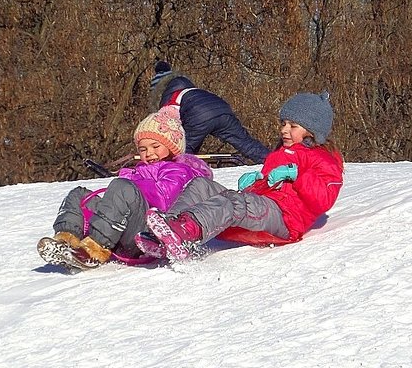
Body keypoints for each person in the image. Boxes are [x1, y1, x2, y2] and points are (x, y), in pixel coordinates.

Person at [135, 90, 344, 262]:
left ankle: (184, 233)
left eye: (293, 126)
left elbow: (324, 198)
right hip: (263, 208)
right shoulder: (280, 153)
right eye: (283, 124)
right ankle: (167, 229)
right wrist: (257, 180)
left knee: (234, 202)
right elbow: (269, 184)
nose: (284, 130)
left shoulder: (323, 158)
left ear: (313, 131)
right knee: (201, 185)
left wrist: (297, 176)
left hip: (285, 218)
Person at [37, 106, 212, 271]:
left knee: (122, 187)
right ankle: (67, 240)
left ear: (172, 147)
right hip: (125, 226)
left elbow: (164, 197)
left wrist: (129, 185)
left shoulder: (178, 170)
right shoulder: (139, 170)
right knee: (79, 194)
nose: (149, 153)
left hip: (146, 230)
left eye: (155, 147)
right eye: (143, 149)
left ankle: (94, 249)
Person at [149, 60, 270, 163]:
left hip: (199, 115)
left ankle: (179, 177)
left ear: (159, 90)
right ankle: (274, 161)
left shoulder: (170, 97)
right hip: (222, 109)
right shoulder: (193, 91)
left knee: (182, 151)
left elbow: (167, 126)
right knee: (245, 143)